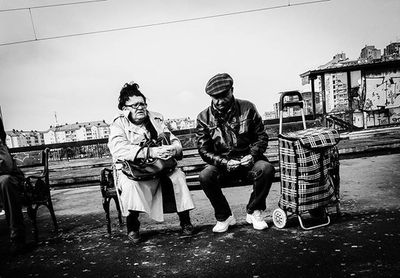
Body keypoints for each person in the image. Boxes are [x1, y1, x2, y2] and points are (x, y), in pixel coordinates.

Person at [108, 82, 195, 243]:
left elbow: (173, 139)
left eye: (142, 104)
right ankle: (132, 227)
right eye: (135, 105)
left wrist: (173, 149)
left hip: (159, 166)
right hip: (133, 169)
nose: (140, 108)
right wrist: (150, 152)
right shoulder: (118, 123)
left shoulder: (155, 118)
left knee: (178, 177)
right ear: (124, 107)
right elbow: (118, 149)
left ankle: (186, 222)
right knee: (129, 185)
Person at [196, 73, 275, 233]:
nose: (218, 101)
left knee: (266, 168)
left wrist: (252, 155)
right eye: (214, 97)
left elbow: (262, 137)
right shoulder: (203, 117)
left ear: (232, 90)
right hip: (222, 164)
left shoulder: (248, 107)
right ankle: (224, 216)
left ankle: (254, 211)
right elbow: (204, 150)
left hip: (249, 161)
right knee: (205, 176)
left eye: (222, 96)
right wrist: (224, 162)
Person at [0, 115, 26, 253]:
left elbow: (6, 167)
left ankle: (17, 237)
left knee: (6, 182)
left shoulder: (1, 144)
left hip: (11, 179)